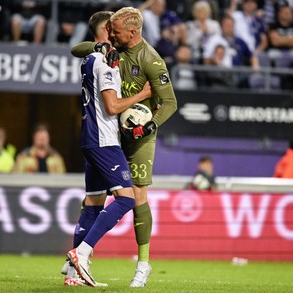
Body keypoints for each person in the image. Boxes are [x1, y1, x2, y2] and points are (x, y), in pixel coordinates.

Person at [71, 6, 178, 287]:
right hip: (111, 135)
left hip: (140, 135)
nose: (111, 36)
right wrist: (99, 45)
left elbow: (170, 102)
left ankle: (143, 265)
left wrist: (150, 125)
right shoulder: (109, 50)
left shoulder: (152, 61)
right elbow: (78, 49)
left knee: (138, 195)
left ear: (132, 33)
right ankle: (78, 261)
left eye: (115, 32)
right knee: (93, 198)